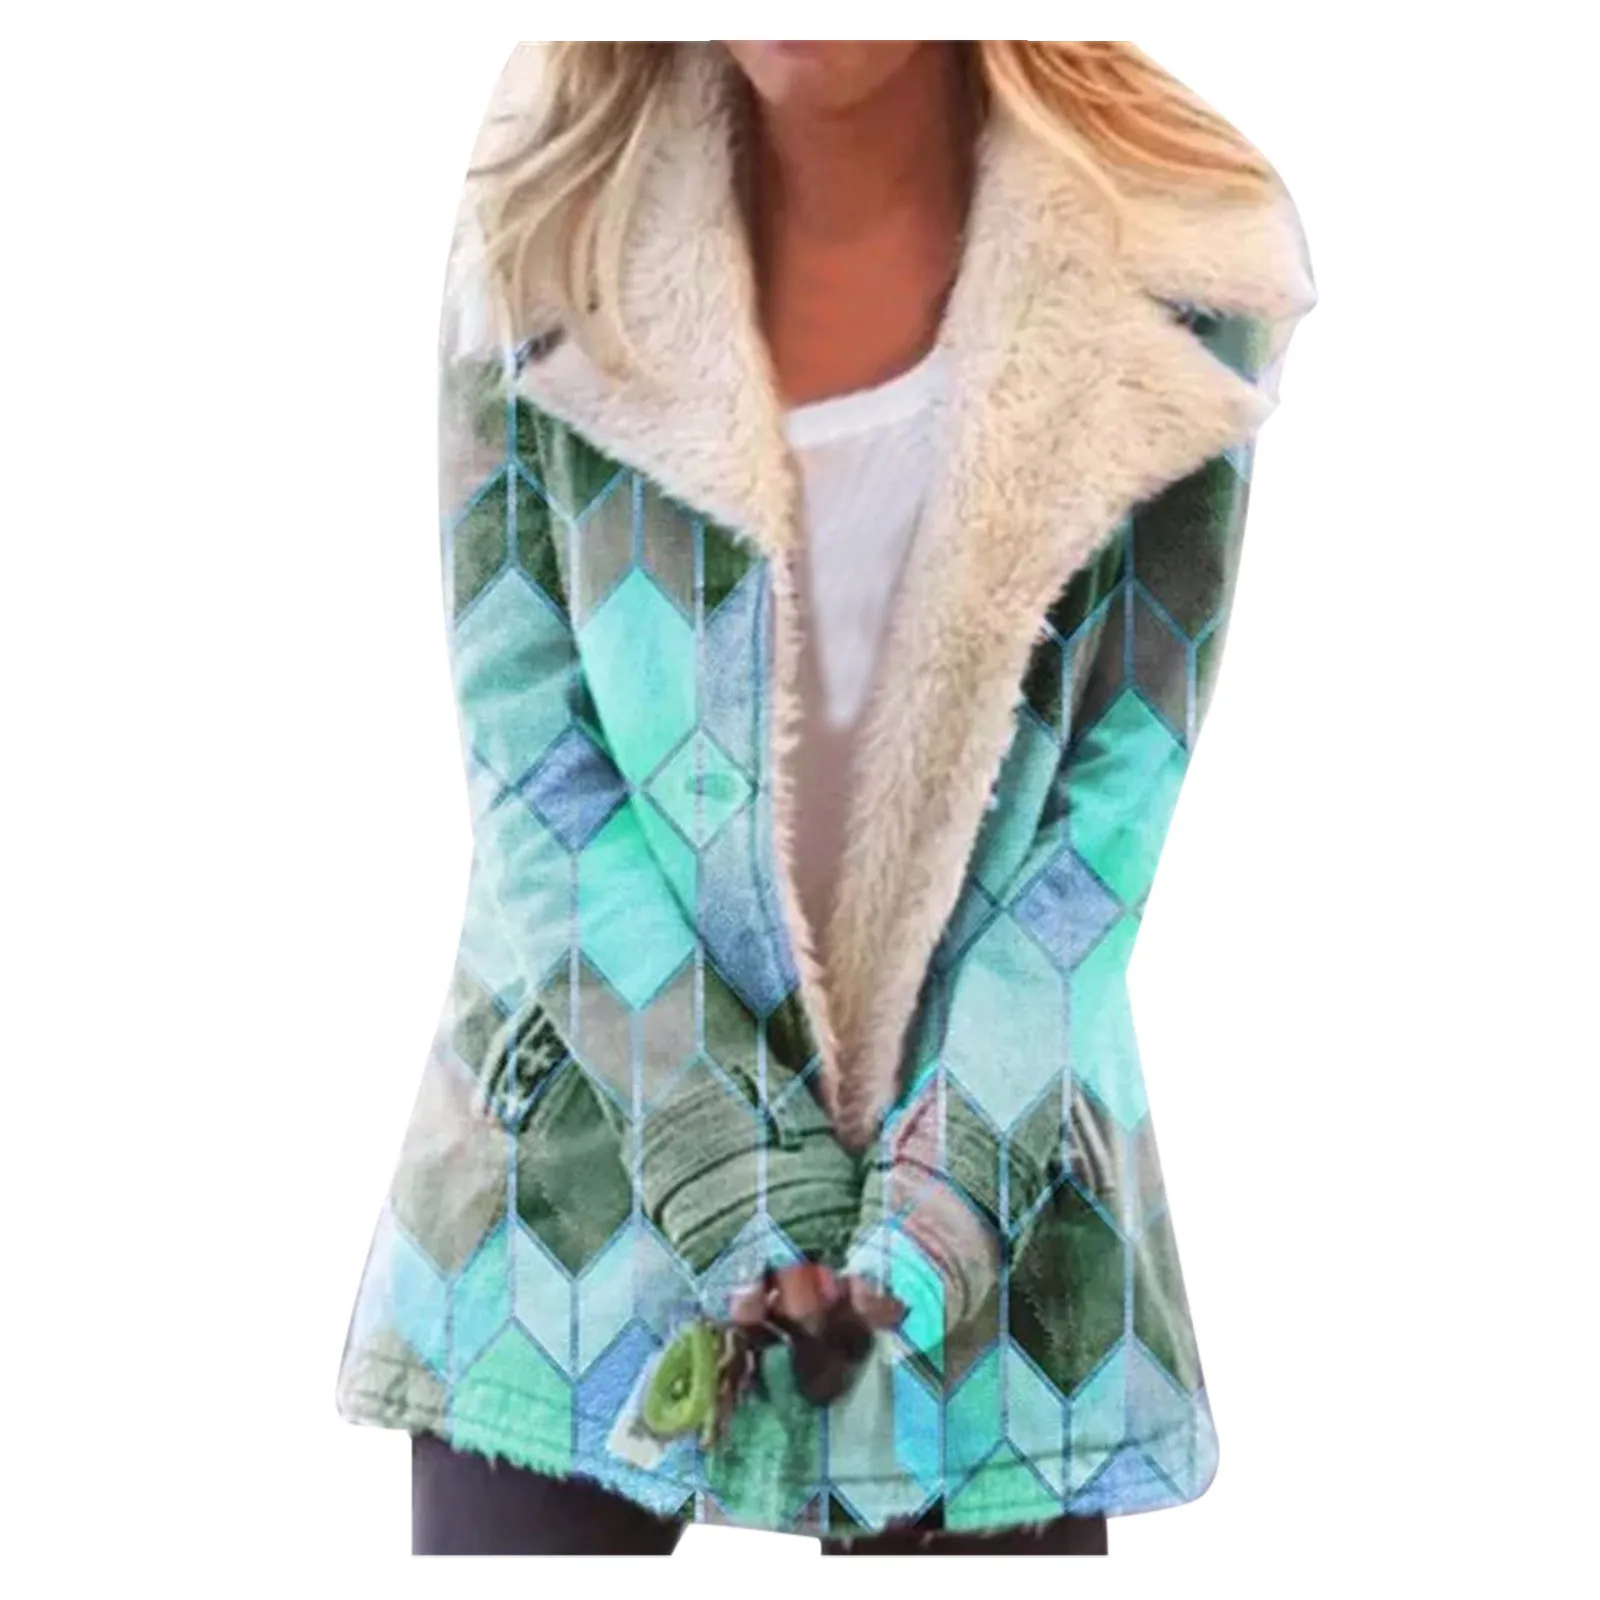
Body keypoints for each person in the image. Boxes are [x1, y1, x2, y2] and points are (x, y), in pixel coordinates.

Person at [335, 39, 1317, 1556]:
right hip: (572, 1179)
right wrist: (725, 1159)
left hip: (998, 1222)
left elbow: (1098, 841)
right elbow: (532, 758)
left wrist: (932, 1224)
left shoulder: (1178, 252)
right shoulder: (552, 188)